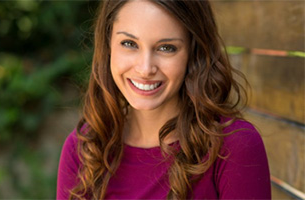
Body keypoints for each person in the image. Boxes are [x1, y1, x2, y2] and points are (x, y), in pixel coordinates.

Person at [57, 0, 271, 199]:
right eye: (129, 43)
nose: (145, 68)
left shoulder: (234, 146)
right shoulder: (84, 150)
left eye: (166, 48)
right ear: (108, 46)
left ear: (193, 52)